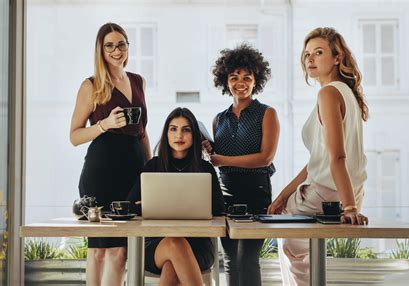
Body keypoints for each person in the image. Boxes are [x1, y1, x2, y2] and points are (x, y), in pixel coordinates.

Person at [267, 27, 369, 285]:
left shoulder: (328, 93)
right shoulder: (347, 94)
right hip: (346, 189)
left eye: (319, 52)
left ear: (338, 57)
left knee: (292, 249)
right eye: (307, 54)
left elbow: (337, 157)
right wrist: (284, 195)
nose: (310, 59)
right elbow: (319, 160)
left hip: (327, 193)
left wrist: (349, 208)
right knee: (299, 250)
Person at [70, 22, 151, 285]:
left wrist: (150, 171)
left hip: (133, 172)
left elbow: (142, 132)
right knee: (99, 250)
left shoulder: (138, 81)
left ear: (128, 46)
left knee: (121, 251)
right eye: (109, 46)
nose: (116, 50)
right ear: (101, 51)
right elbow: (74, 136)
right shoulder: (91, 85)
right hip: (101, 171)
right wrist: (104, 124)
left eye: (121, 44)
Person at [203, 43, 280, 286]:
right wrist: (210, 152)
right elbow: (219, 161)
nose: (240, 82)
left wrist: (222, 159)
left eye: (247, 77)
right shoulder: (219, 119)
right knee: (230, 260)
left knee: (247, 258)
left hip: (257, 194)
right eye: (234, 77)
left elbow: (265, 157)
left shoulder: (267, 113)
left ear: (256, 80)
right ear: (225, 81)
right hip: (226, 196)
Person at [127, 107, 225, 285]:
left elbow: (219, 209)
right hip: (156, 243)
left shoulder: (205, 169)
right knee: (174, 243)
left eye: (186, 129)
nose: (179, 135)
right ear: (166, 134)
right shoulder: (153, 166)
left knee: (172, 265)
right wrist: (148, 205)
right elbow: (129, 205)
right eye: (173, 129)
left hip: (198, 244)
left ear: (194, 134)